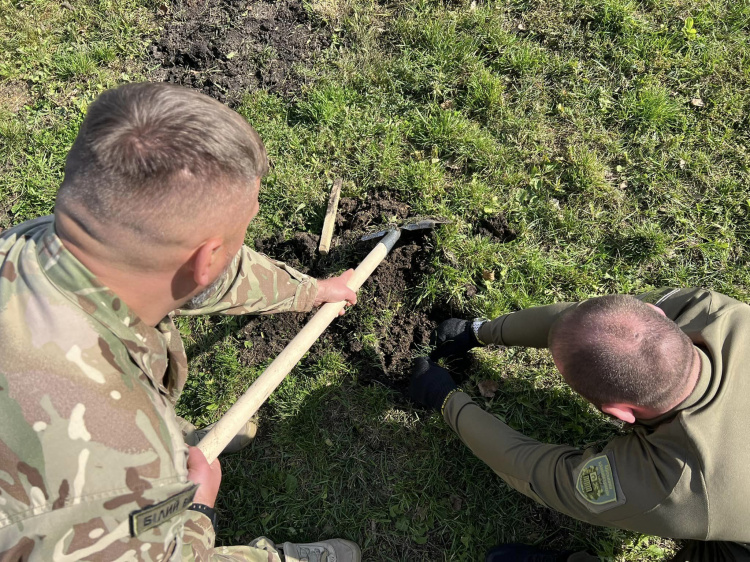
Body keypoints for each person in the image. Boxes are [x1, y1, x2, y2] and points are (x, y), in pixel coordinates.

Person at [0, 82, 362, 561]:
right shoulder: (113, 478)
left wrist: (312, 291)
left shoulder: (41, 243)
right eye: (242, 230)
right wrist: (195, 509)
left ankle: (181, 442)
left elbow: (214, 274)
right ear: (204, 258)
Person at [411, 288, 750, 561]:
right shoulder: (713, 311)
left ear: (620, 412)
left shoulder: (670, 486)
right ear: (659, 314)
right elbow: (586, 321)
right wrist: (478, 331)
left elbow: (534, 470)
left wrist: (445, 398)